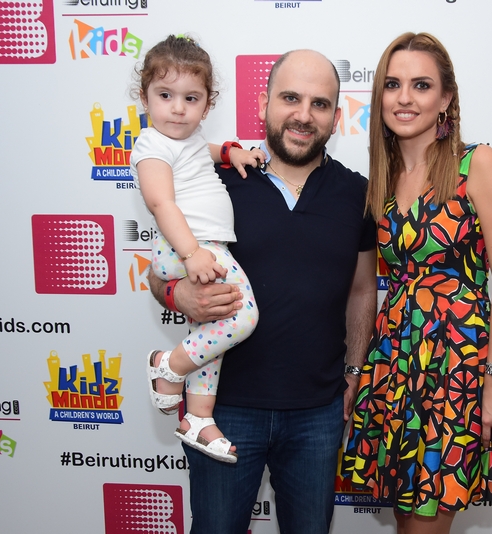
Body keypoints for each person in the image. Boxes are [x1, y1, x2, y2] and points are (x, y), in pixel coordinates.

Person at [148, 49, 378, 534]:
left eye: (319, 103)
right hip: (221, 408)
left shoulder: (358, 194)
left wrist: (355, 371)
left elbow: (362, 291)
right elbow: (160, 273)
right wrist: (178, 297)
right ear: (263, 104)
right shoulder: (214, 179)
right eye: (290, 98)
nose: (303, 114)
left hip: (318, 412)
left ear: (336, 117)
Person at [342, 32, 492, 533]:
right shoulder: (380, 181)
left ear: (446, 99)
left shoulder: (475, 164)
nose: (405, 98)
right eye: (392, 84)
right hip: (395, 365)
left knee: (425, 525)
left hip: (454, 370)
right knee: (408, 521)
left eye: (421, 85)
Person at [130, 35, 264, 463]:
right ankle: (168, 366)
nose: (178, 108)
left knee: (212, 331)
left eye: (191, 98)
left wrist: (228, 151)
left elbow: (199, 151)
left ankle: (198, 417)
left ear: (207, 106)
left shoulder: (185, 141)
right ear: (144, 98)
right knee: (242, 315)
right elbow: (161, 203)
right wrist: (192, 254)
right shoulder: (151, 145)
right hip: (190, 247)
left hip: (203, 246)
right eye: (165, 95)